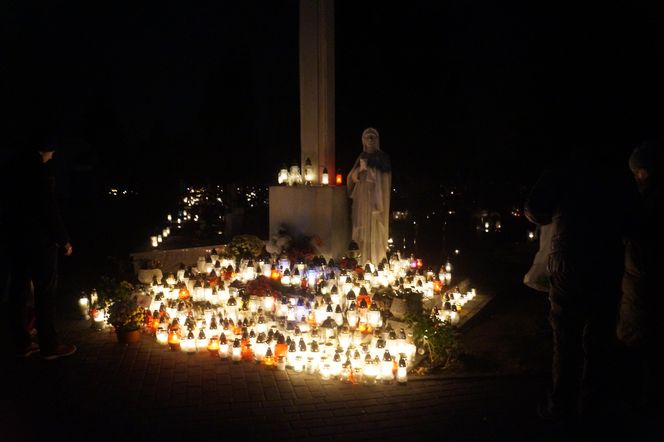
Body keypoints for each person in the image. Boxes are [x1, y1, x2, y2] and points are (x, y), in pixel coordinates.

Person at [524, 142, 638, 426]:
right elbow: (632, 219)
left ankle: (562, 405)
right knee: (599, 335)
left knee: (566, 333)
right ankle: (592, 406)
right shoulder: (616, 172)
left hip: (570, 254)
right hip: (607, 256)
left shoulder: (562, 170)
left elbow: (535, 209)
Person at [6, 137, 76, 360]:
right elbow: (48, 209)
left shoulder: (12, 172)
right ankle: (49, 345)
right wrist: (63, 239)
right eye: (51, 151)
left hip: (15, 240)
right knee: (45, 292)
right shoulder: (40, 173)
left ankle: (22, 342)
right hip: (40, 242)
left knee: (19, 290)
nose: (53, 155)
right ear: (43, 150)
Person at [617, 139, 664, 414]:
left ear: (644, 172)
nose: (634, 178)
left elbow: (637, 244)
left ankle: (642, 407)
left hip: (643, 287)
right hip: (643, 285)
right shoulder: (647, 201)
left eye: (636, 173)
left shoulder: (646, 205)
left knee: (640, 346)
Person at [347, 127, 391, 266]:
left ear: (377, 140)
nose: (370, 139)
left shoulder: (382, 157)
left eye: (373, 137)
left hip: (376, 198)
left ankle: (376, 260)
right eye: (367, 137)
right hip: (362, 198)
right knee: (362, 227)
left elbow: (386, 178)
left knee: (375, 227)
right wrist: (360, 170)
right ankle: (361, 260)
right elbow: (352, 177)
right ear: (363, 141)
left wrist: (372, 171)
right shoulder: (362, 157)